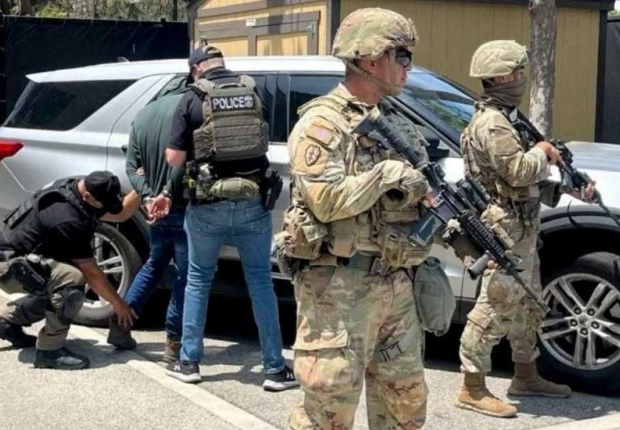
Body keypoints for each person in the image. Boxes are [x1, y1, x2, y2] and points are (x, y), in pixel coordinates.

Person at [279, 8, 435, 429]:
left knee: (406, 406)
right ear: (369, 59)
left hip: (395, 282)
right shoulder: (322, 123)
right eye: (401, 56)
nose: (408, 67)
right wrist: (384, 176)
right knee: (328, 412)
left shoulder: (393, 122)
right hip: (339, 288)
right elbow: (325, 201)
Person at [456, 40, 595, 417]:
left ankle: (526, 375)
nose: (521, 78)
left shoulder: (507, 118)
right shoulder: (492, 123)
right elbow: (517, 171)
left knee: (528, 304)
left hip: (523, 225)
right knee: (495, 305)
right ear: (499, 77)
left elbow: (520, 183)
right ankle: (471, 386)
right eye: (517, 72)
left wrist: (566, 188)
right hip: (505, 228)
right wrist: (542, 152)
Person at [163, 44, 297, 392]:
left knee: (198, 280)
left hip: (208, 203)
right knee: (261, 282)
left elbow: (174, 159)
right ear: (222, 64)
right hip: (253, 201)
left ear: (196, 69)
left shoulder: (192, 98)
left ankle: (189, 363)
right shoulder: (252, 91)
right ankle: (275, 369)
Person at [0, 171, 140, 370]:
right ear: (87, 196)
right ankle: (49, 351)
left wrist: (142, 184)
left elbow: (120, 213)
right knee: (71, 280)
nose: (106, 207)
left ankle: (9, 323)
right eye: (103, 203)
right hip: (7, 268)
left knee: (58, 280)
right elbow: (92, 274)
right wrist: (119, 304)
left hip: (26, 261)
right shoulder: (67, 218)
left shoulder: (78, 189)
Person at [122, 90, 189, 363]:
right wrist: (168, 194)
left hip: (155, 209)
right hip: (183, 205)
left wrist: (149, 196)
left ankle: (120, 324)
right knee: (186, 276)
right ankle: (173, 343)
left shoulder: (143, 114)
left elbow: (130, 168)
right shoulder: (188, 111)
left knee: (154, 264)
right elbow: (184, 161)